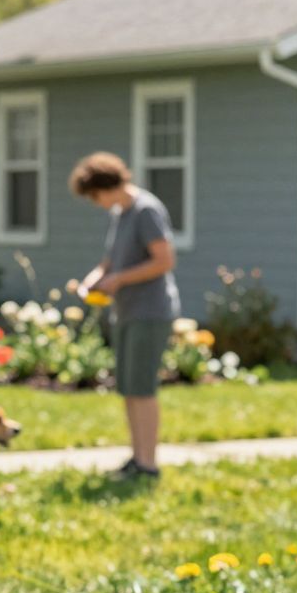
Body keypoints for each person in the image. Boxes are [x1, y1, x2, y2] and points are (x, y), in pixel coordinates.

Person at [71, 151, 178, 479]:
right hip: (127, 311)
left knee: (143, 389)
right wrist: (93, 280)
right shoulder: (121, 214)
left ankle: (148, 464)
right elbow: (110, 261)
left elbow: (164, 261)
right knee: (130, 388)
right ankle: (137, 457)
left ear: (107, 185)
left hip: (151, 311)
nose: (96, 202)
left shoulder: (146, 211)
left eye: (94, 195)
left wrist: (119, 279)